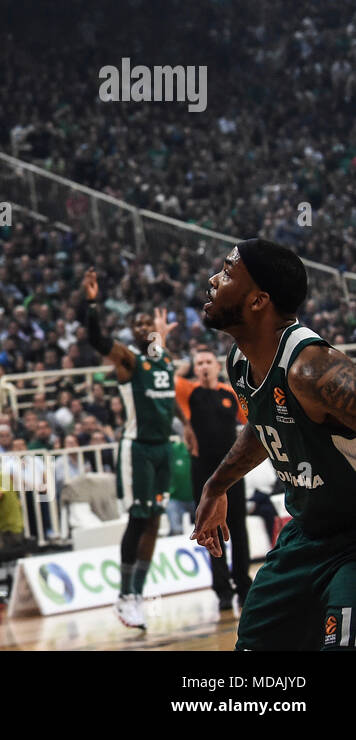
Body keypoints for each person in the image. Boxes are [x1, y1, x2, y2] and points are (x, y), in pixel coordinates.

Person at [193, 240, 356, 650]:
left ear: (259, 300)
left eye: (228, 272)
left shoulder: (313, 368)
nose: (213, 280)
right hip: (307, 536)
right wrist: (217, 485)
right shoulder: (240, 363)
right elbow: (265, 428)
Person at [82, 268, 176, 631]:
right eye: (136, 324)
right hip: (136, 450)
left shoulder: (164, 358)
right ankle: (124, 596)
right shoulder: (129, 360)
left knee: (155, 520)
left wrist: (188, 431)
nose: (142, 328)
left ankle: (138, 593)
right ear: (131, 331)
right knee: (138, 519)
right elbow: (95, 338)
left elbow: (169, 401)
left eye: (147, 322)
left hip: (163, 449)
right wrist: (92, 302)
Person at [176, 345, 252, 609]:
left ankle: (243, 583)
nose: (205, 366)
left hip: (232, 471)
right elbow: (172, 380)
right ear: (195, 369)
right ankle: (222, 590)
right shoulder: (189, 392)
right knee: (210, 529)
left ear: (218, 367)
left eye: (209, 362)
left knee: (238, 528)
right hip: (203, 474)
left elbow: (248, 423)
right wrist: (186, 363)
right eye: (200, 363)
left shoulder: (230, 394)